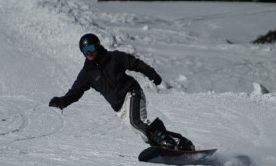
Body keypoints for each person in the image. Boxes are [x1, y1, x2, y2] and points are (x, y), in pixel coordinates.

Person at [49, 33, 195, 150]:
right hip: (119, 107)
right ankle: (180, 141)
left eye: (91, 48)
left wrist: (152, 74)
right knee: (143, 133)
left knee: (135, 122)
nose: (89, 53)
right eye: (85, 51)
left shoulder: (114, 57)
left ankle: (167, 144)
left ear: (97, 46)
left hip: (131, 92)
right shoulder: (87, 73)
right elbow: (75, 92)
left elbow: (135, 63)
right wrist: (62, 101)